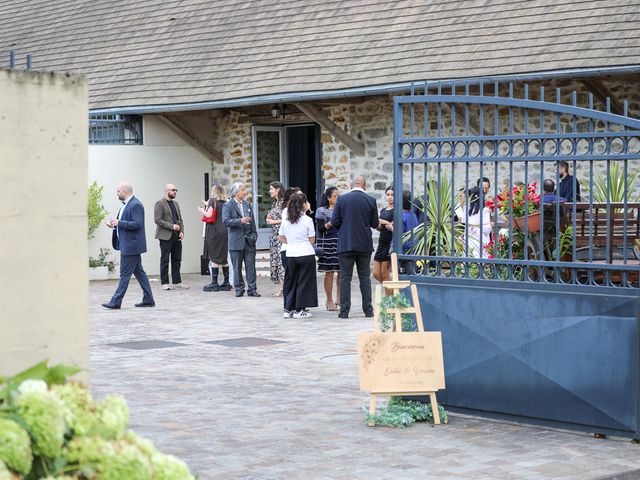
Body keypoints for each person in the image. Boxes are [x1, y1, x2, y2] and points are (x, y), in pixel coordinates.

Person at [330, 175, 379, 319]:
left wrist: (344, 230)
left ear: (351, 185)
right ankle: (368, 310)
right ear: (364, 186)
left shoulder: (342, 199)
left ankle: (344, 312)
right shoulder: (371, 200)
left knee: (345, 278)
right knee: (365, 277)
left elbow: (335, 221)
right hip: (364, 244)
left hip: (346, 243)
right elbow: (374, 224)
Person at [102, 181, 155, 309]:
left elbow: (137, 224)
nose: (117, 194)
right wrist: (114, 225)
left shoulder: (135, 204)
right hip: (128, 244)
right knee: (139, 273)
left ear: (124, 192)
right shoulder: (125, 205)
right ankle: (148, 299)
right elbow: (124, 223)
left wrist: (119, 223)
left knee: (124, 275)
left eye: (118, 191)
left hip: (131, 246)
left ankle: (116, 301)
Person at [279, 192, 318, 318]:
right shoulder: (307, 220)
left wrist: (291, 242)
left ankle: (288, 309)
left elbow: (280, 237)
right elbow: (312, 239)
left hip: (291, 253)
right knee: (304, 282)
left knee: (291, 282)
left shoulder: (286, 221)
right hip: (305, 253)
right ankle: (299, 309)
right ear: (303, 205)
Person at [222, 182, 260, 297]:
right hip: (235, 241)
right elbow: (226, 221)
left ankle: (252, 289)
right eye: (243, 190)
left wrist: (254, 236)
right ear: (236, 192)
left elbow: (252, 221)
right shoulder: (228, 205)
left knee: (251, 267)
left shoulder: (247, 204)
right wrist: (240, 221)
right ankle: (239, 289)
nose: (245, 192)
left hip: (249, 241)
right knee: (236, 267)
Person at [154, 183, 188, 290]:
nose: (175, 192)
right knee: (165, 259)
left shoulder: (176, 204)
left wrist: (182, 231)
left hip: (176, 235)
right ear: (167, 191)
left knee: (177, 259)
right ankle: (164, 282)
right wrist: (171, 226)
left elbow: (180, 219)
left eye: (176, 190)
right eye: (173, 190)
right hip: (165, 236)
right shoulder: (160, 203)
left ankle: (177, 281)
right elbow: (157, 220)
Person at [198, 184, 231, 292]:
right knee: (223, 256)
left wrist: (201, 210)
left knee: (214, 256)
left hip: (214, 232)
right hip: (224, 231)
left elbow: (208, 215)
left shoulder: (213, 201)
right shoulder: (226, 202)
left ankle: (214, 282)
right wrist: (207, 204)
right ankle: (226, 282)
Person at [316, 186, 340, 311]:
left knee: (342, 272)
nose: (337, 197)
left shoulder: (341, 208)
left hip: (340, 241)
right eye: (335, 195)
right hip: (327, 242)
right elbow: (320, 228)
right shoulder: (321, 210)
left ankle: (339, 298)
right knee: (329, 272)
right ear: (329, 197)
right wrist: (330, 223)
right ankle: (329, 300)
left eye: (338, 195)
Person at [456, 186, 492, 258]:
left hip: (469, 242)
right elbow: (487, 230)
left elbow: (463, 225)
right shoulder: (484, 211)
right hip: (481, 242)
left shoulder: (467, 209)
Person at [266, 181, 285, 296]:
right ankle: (282, 288)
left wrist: (274, 221)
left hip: (281, 236)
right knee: (277, 261)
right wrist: (270, 218)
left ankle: (285, 287)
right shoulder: (275, 203)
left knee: (282, 261)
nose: (270, 191)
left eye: (271, 189)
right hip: (274, 236)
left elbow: (287, 219)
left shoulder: (284, 203)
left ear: (278, 189)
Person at [373, 186, 394, 285]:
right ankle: (393, 291)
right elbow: (379, 225)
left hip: (390, 243)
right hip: (382, 242)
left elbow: (395, 227)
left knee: (385, 273)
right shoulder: (383, 210)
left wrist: (385, 222)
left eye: (392, 195)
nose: (390, 197)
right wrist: (379, 225)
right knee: (376, 273)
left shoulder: (397, 211)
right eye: (388, 195)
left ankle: (390, 298)